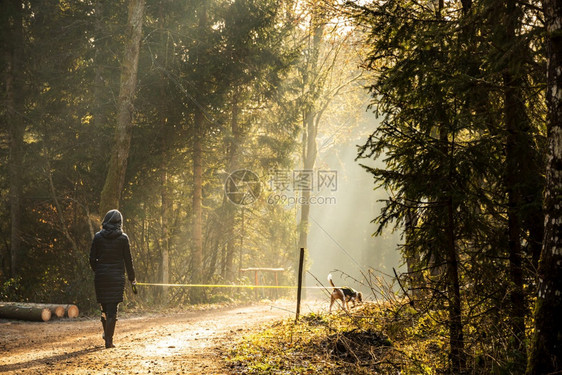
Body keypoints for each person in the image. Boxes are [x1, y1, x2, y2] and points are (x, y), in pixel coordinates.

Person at [89, 209, 136, 348]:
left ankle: (106, 334)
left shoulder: (98, 237)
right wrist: (132, 279)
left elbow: (91, 258)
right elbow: (128, 261)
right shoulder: (123, 238)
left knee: (104, 308)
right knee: (113, 309)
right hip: (116, 278)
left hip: (101, 277)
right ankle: (109, 340)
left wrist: (98, 270)